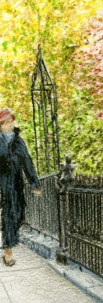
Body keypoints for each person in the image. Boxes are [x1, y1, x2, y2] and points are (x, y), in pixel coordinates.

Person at [0, 109, 41, 266]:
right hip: (2, 183)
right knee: (9, 215)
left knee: (18, 214)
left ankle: (9, 241)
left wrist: (34, 183)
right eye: (6, 122)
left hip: (17, 183)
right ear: (1, 125)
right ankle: (8, 251)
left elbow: (27, 162)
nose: (10, 125)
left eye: (11, 122)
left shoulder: (18, 141)